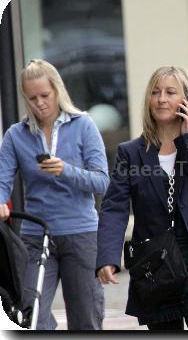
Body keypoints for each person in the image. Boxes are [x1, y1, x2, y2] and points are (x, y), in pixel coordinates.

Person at [96, 66, 188, 331]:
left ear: (186, 100)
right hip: (156, 270)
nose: (161, 98)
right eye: (155, 92)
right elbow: (114, 207)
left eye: (170, 92)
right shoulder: (131, 154)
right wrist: (108, 256)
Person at [0, 59, 109, 330]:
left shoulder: (84, 125)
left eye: (45, 95)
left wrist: (66, 171)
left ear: (57, 90)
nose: (40, 103)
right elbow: (2, 179)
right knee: (29, 314)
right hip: (36, 236)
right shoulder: (16, 135)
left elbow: (103, 182)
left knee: (86, 320)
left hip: (81, 235)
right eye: (32, 97)